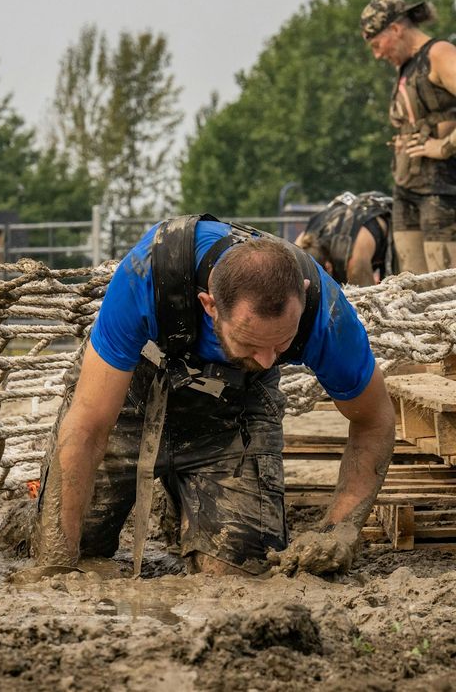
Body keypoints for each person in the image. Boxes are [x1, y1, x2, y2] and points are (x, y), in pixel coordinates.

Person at [30, 216, 396, 577]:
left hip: (233, 414)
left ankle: (192, 498)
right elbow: (89, 425)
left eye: (281, 344)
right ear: (210, 306)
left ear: (301, 294)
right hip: (132, 396)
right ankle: (160, 497)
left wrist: (340, 529)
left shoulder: (326, 313)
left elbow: (374, 420)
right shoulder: (148, 275)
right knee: (70, 540)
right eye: (250, 343)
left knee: (238, 570)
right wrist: (55, 563)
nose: (268, 359)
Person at [361, 0, 456, 274]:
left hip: (443, 191)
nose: (377, 54)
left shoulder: (438, 54)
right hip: (407, 188)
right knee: (410, 287)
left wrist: (444, 146)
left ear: (395, 29)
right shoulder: (407, 65)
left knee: (445, 289)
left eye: (377, 45)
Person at [294, 191, 393, 286]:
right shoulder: (299, 250)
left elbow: (368, 298)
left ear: (329, 266)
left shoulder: (354, 260)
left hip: (383, 221)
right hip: (346, 218)